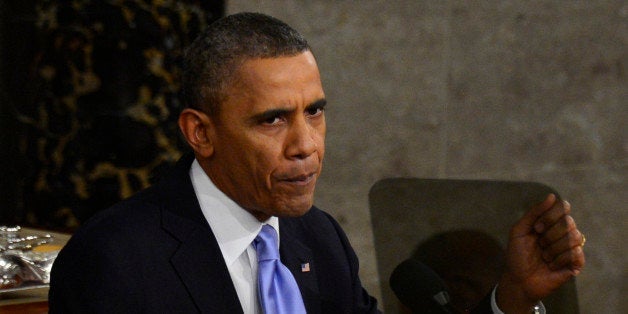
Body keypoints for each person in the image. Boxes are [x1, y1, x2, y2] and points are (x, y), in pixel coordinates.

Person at [48, 12, 585, 314]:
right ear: (201, 133)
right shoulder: (116, 260)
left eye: (316, 112)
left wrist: (512, 298)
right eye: (273, 120)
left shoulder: (318, 240)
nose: (306, 144)